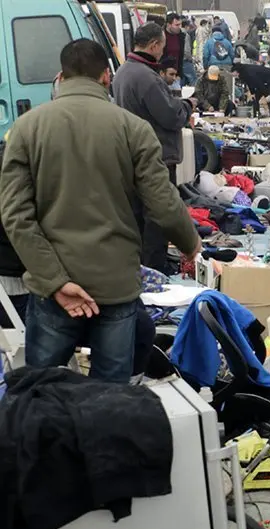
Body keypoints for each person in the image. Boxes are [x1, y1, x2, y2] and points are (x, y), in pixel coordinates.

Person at [0, 39, 199, 383]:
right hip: (115, 284)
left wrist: (55, 281)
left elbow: (16, 216)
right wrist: (190, 243)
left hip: (54, 287)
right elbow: (164, 205)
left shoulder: (25, 129)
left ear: (60, 77)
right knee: (110, 396)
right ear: (107, 76)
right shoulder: (134, 129)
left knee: (40, 391)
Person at [113, 22, 195, 274]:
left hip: (131, 154)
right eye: (161, 46)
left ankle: (140, 270)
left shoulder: (123, 72)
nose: (163, 52)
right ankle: (154, 273)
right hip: (155, 156)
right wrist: (188, 105)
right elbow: (170, 116)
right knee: (158, 219)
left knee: (138, 217)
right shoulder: (147, 77)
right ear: (154, 45)